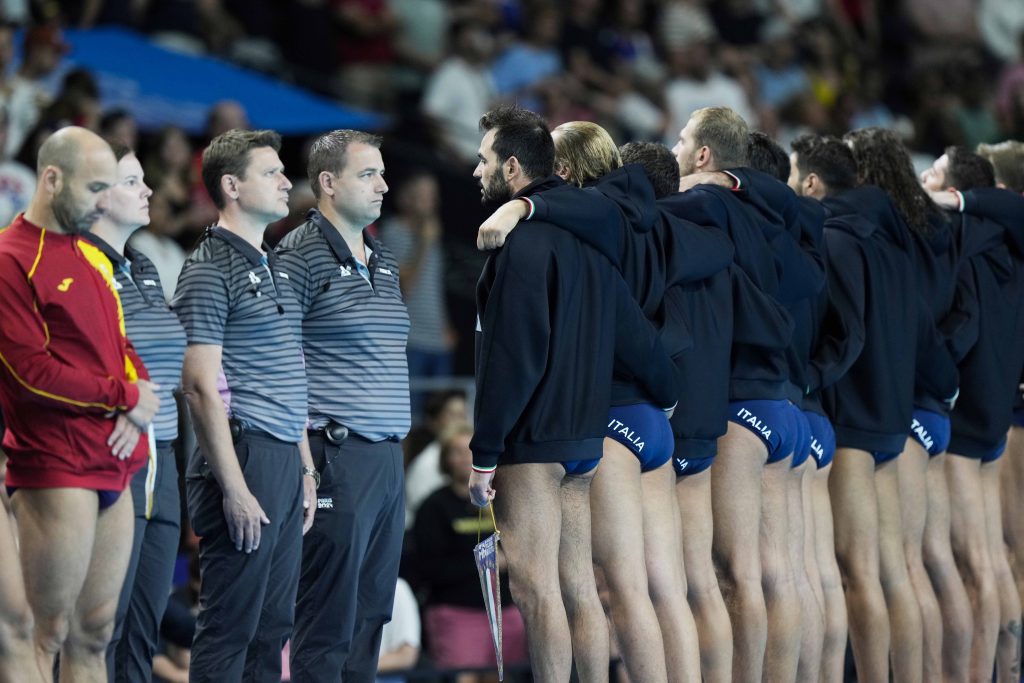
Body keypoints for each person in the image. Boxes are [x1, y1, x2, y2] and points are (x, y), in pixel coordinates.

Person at [467, 104, 678, 683]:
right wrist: (669, 393)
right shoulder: (590, 240)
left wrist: (485, 453)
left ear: (513, 168)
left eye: (484, 160)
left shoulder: (524, 245)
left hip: (536, 441)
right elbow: (635, 334)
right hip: (586, 437)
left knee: (537, 592)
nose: (475, 170)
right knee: (579, 586)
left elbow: (514, 359)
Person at [0, 125, 160, 681]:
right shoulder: (10, 257)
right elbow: (30, 373)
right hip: (56, 461)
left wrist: (141, 397)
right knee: (44, 633)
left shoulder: (89, 257)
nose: (102, 202)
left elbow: (120, 345)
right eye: (95, 189)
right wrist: (126, 396)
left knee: (95, 634)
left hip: (118, 458)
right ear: (51, 179)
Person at [172, 128, 316, 682]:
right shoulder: (209, 267)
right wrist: (233, 487)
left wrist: (304, 466)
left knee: (274, 624)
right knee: (231, 624)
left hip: (281, 456)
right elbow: (199, 387)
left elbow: (292, 378)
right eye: (272, 172)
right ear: (231, 186)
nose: (287, 181)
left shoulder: (274, 264)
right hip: (242, 455)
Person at [276, 129, 410, 683]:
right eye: (368, 174)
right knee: (327, 620)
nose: (383, 184)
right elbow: (274, 365)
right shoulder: (298, 254)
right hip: (334, 455)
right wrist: (304, 464)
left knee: (372, 614)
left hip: (386, 458)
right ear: (328, 183)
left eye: (381, 172)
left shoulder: (382, 257)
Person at [846, 127, 962, 683]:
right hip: (930, 402)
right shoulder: (938, 231)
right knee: (914, 566)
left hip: (892, 402)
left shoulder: (875, 235)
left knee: (885, 570)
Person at [84, 144, 187, 682]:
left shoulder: (143, 263)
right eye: (132, 182)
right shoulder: (75, 263)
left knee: (144, 622)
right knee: (103, 622)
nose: (149, 191)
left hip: (161, 459)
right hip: (110, 455)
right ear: (96, 195)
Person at [926, 149, 1024, 682]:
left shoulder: (968, 243)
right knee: (993, 559)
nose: (925, 181)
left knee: (971, 565)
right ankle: (1005, 674)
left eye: (934, 174)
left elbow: (957, 331)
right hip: (994, 418)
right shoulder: (1007, 245)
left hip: (968, 419)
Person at [413, 422, 528, 682]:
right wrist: (488, 562)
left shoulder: (501, 500)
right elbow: (428, 569)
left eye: (471, 450)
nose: (466, 457)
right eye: (457, 451)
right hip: (457, 611)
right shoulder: (433, 507)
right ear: (446, 460)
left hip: (505, 610)